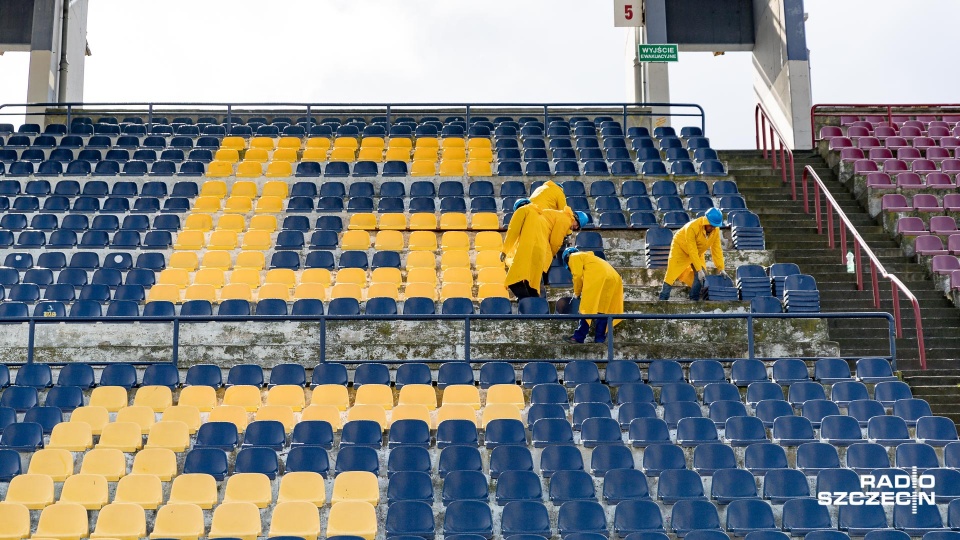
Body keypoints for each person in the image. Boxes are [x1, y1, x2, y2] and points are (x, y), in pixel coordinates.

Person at [659, 207, 728, 301]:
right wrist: (698, 269)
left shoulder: (715, 231)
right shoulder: (692, 227)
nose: (712, 228)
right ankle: (663, 299)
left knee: (702, 275)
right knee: (671, 274)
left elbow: (717, 249)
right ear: (706, 221)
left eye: (715, 226)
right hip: (681, 249)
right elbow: (692, 250)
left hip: (697, 252)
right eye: (711, 225)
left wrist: (721, 268)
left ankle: (694, 299)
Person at [562, 247, 624, 344]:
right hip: (614, 278)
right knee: (603, 310)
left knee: (587, 308)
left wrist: (577, 293)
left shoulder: (573, 256)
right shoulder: (591, 259)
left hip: (599, 277)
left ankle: (578, 337)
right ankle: (599, 339)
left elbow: (577, 276)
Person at [501, 198, 551, 299]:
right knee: (532, 284)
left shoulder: (522, 210)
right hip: (540, 255)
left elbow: (513, 231)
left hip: (527, 251)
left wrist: (505, 250)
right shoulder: (541, 216)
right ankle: (534, 308)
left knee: (513, 280)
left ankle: (526, 302)